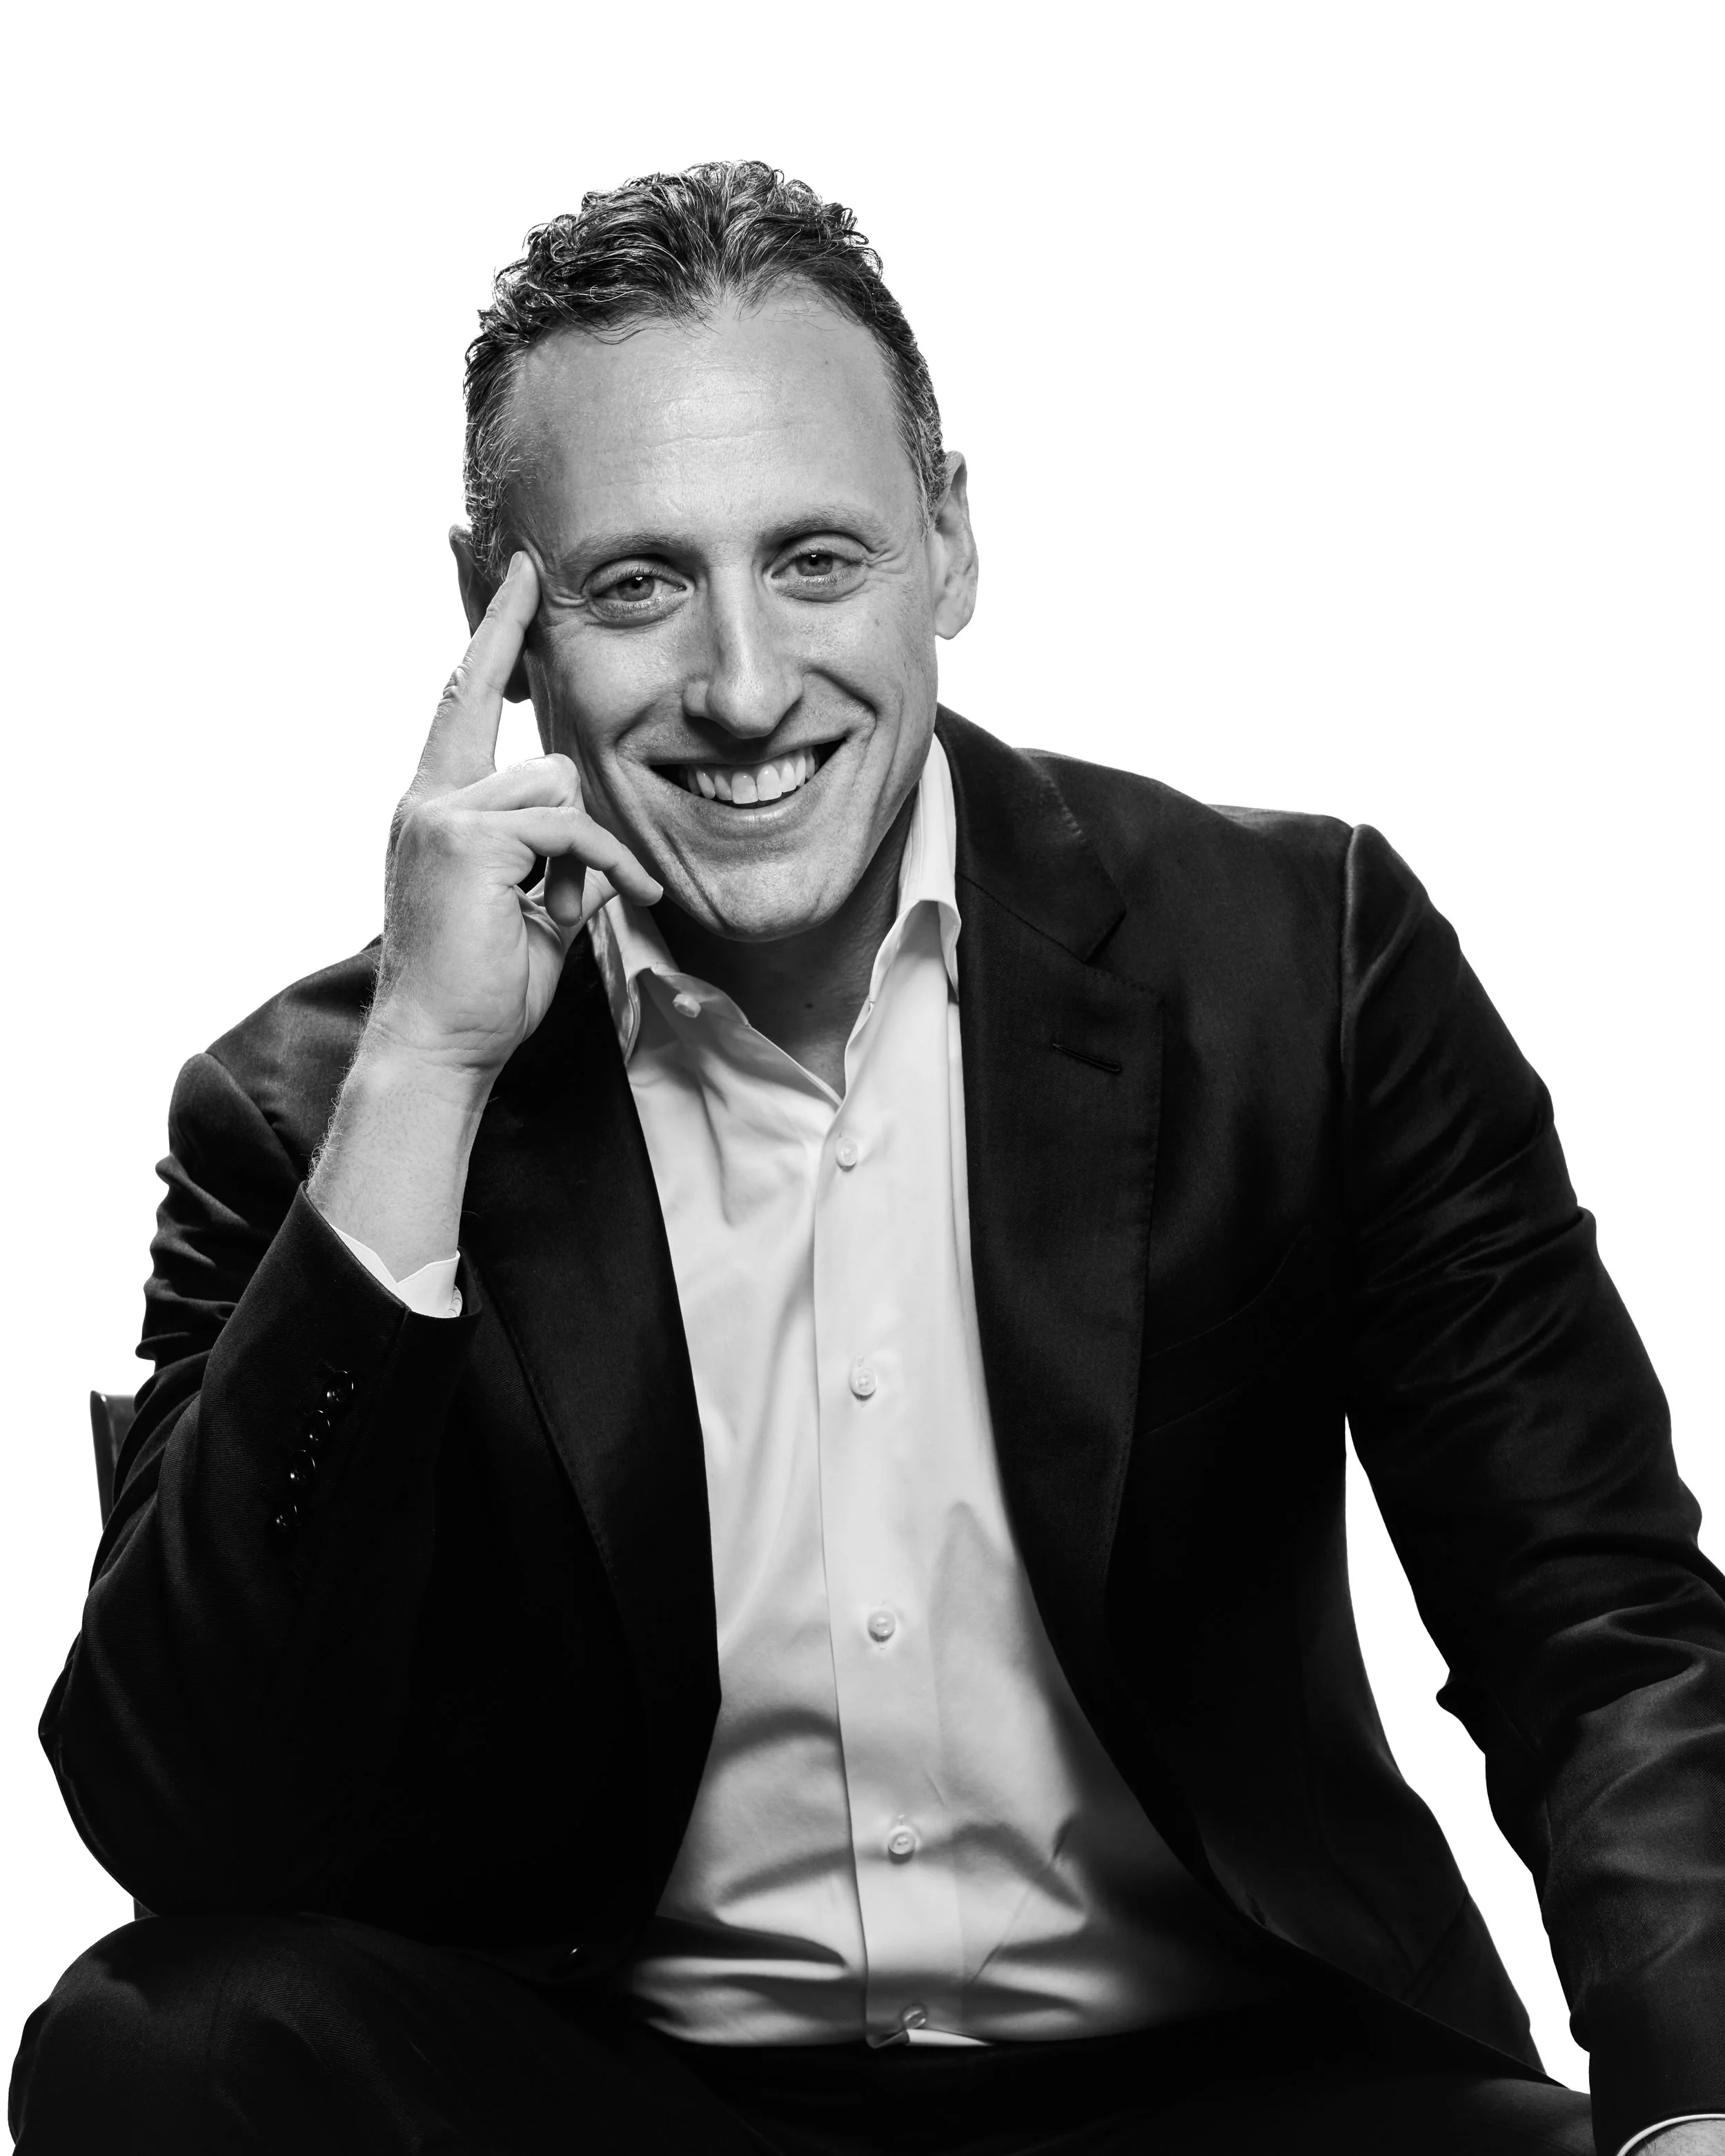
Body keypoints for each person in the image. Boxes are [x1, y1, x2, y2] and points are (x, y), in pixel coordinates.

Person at [10, 161, 1722, 2156]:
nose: (743, 688)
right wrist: (428, 1063)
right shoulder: (318, 1104)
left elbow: (1590, 1618)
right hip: (634, 2099)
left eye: (815, 560)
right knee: (160, 2041)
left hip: (1234, 2084)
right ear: (495, 624)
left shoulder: (1301, 959)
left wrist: (1696, 2099)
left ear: (951, 543)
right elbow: (186, 1819)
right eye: (638, 584)